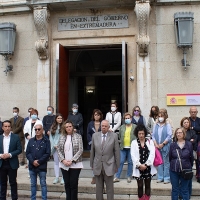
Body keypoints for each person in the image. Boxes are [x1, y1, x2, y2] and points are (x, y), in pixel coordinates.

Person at [90, 120, 120, 200]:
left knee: (110, 188)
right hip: (97, 165)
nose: (103, 127)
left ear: (109, 127)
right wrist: (91, 164)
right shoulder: (95, 136)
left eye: (105, 126)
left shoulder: (114, 136)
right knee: (98, 188)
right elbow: (92, 151)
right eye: (102, 126)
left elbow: (116, 151)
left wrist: (117, 165)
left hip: (109, 165)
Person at [57, 120, 83, 200]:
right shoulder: (61, 137)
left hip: (75, 164)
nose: (68, 128)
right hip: (64, 164)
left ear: (73, 127)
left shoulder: (78, 136)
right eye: (67, 127)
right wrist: (63, 160)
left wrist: (72, 160)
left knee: (73, 184)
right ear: (64, 128)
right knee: (67, 184)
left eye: (70, 126)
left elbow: (80, 150)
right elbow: (58, 150)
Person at [131, 124, 157, 200]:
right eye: (139, 133)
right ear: (137, 134)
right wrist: (139, 165)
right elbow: (133, 155)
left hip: (148, 167)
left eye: (142, 133)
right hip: (138, 167)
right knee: (139, 185)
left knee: (148, 184)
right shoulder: (134, 143)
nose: (141, 135)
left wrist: (146, 164)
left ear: (145, 133)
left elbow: (152, 154)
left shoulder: (150, 142)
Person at [26, 124, 51, 200]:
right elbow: (28, 153)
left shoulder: (46, 141)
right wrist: (33, 161)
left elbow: (47, 153)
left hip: (42, 166)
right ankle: (33, 198)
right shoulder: (31, 140)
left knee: (43, 184)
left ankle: (44, 198)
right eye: (35, 129)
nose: (37, 131)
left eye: (39, 129)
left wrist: (39, 161)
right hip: (32, 166)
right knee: (33, 184)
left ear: (42, 130)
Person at [169, 127, 193, 200]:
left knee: (185, 189)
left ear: (184, 134)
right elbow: (170, 158)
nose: (178, 134)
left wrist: (188, 166)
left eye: (180, 132)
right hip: (174, 170)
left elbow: (191, 158)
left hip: (186, 170)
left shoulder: (189, 144)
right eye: (177, 133)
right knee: (175, 189)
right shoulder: (172, 145)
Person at [0, 120, 22, 200]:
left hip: (12, 163)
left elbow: (19, 149)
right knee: (2, 183)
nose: (7, 128)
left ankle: (14, 198)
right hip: (2, 163)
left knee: (13, 183)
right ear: (2, 127)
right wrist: (1, 155)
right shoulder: (0, 137)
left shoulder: (15, 137)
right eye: (5, 126)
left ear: (11, 127)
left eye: (9, 126)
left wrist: (9, 154)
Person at [114, 112, 136, 183]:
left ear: (131, 118)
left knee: (130, 162)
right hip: (123, 147)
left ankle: (129, 176)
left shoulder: (135, 127)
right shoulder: (122, 127)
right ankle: (117, 176)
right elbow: (120, 136)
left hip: (131, 147)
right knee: (121, 161)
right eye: (126, 118)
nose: (127, 119)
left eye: (128, 118)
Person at [152, 110, 172, 184]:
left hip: (165, 146)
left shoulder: (168, 125)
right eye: (159, 116)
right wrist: (156, 144)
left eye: (162, 116)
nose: (160, 118)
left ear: (165, 117)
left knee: (166, 162)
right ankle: (160, 177)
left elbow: (169, 136)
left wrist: (163, 144)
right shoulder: (155, 125)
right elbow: (153, 135)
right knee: (159, 162)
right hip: (157, 146)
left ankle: (166, 178)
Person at [180, 117, 197, 198]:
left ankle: (188, 194)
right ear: (182, 123)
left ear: (189, 123)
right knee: (180, 177)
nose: (186, 123)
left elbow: (194, 140)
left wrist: (187, 141)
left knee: (188, 176)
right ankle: (181, 195)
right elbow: (178, 140)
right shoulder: (179, 131)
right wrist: (189, 141)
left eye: (187, 122)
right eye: (184, 122)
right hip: (180, 156)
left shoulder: (192, 132)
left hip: (189, 156)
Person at [87, 109, 103, 184]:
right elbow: (88, 133)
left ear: (100, 116)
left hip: (101, 145)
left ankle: (99, 176)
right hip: (92, 145)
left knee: (100, 160)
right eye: (95, 115)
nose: (96, 116)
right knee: (93, 161)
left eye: (98, 115)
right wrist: (91, 142)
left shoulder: (102, 123)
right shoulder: (90, 124)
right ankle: (94, 176)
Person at [49, 113, 64, 185]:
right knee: (56, 162)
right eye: (58, 118)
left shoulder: (64, 126)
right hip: (55, 147)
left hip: (62, 147)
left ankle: (63, 177)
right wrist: (54, 145)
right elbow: (51, 137)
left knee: (62, 162)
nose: (59, 119)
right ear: (56, 119)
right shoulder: (53, 127)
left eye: (61, 118)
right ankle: (57, 177)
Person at [189, 106, 200, 181]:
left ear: (197, 112)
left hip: (198, 142)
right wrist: (197, 130)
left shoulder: (199, 120)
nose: (193, 113)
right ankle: (188, 175)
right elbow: (186, 128)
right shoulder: (187, 120)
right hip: (189, 142)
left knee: (198, 160)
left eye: (194, 112)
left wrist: (192, 128)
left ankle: (198, 175)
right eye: (192, 112)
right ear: (189, 112)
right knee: (189, 158)